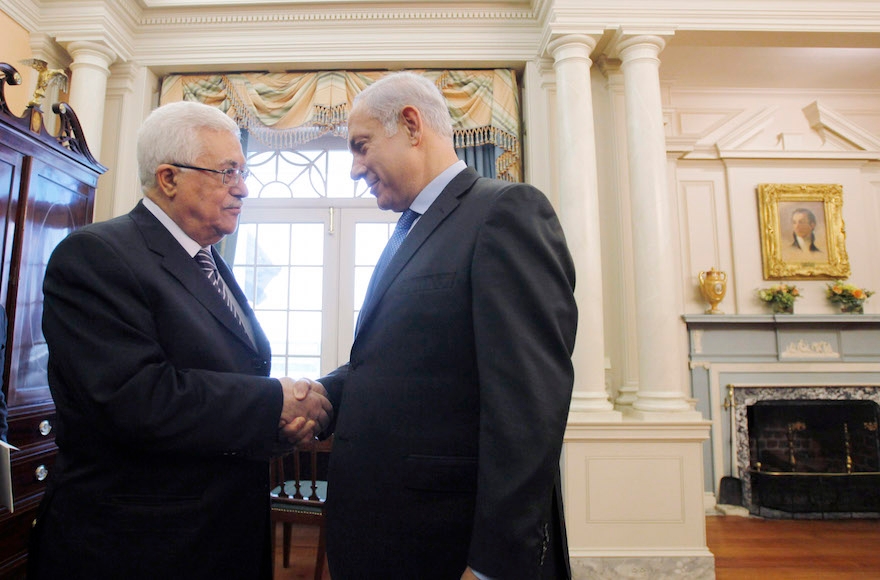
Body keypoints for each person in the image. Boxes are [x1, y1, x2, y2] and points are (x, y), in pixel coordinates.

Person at [28, 101, 332, 580]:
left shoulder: (208, 262)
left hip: (220, 535)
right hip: (138, 548)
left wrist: (275, 430)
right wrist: (274, 400)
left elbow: (230, 376)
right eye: (228, 172)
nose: (244, 188)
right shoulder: (96, 255)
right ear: (168, 178)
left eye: (243, 171)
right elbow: (136, 399)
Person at [317, 72, 578, 580]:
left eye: (361, 146)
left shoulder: (504, 212)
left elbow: (529, 407)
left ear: (411, 125)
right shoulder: (409, 229)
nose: (354, 169)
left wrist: (491, 567)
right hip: (391, 536)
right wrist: (321, 395)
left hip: (448, 545)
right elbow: (399, 362)